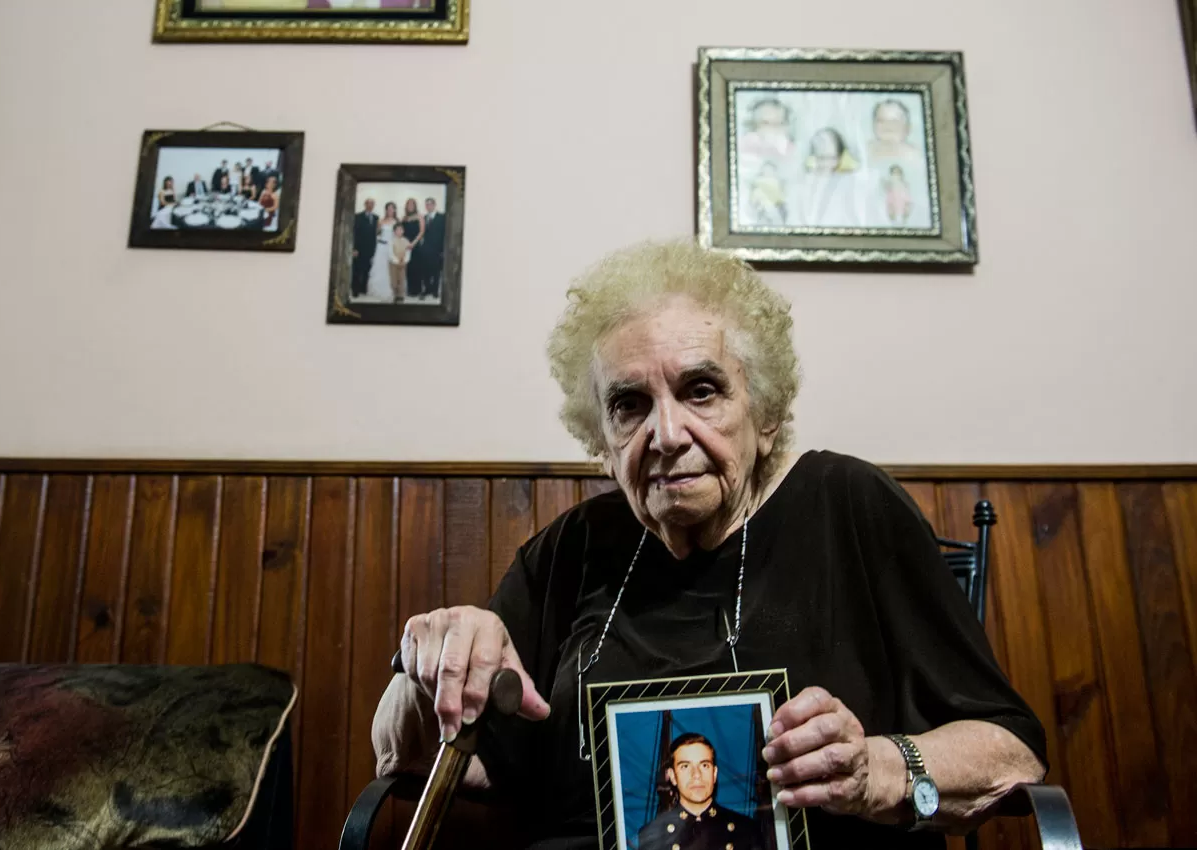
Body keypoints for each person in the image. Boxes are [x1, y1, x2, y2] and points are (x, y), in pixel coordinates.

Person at [371, 240, 1047, 850]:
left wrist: (878, 770)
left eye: (701, 390)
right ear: (601, 441)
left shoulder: (847, 504)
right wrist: (424, 664)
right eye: (629, 404)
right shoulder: (574, 547)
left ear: (767, 411)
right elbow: (412, 761)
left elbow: (1010, 750)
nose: (665, 433)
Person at [636, 733, 763, 850]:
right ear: (673, 776)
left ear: (714, 773)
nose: (696, 774)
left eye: (704, 765)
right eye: (685, 766)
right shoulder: (652, 835)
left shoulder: (746, 830)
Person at [794, 128, 864, 227]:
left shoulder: (850, 183)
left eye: (832, 158)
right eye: (822, 158)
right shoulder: (802, 184)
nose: (826, 164)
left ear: (840, 157)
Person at [364, 201, 399, 301]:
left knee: (390, 269)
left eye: (392, 208)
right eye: (388, 208)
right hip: (381, 246)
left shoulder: (397, 221)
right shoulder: (381, 220)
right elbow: (377, 234)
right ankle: (377, 290)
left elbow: (398, 235)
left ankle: (391, 290)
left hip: (391, 247)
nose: (390, 210)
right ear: (386, 210)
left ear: (395, 210)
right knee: (379, 268)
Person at [417, 197, 447, 299]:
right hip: (425, 249)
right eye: (426, 204)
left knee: (436, 272)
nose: (428, 206)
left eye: (430, 204)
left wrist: (443, 250)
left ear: (434, 205)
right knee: (425, 271)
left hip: (437, 250)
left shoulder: (442, 217)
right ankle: (427, 289)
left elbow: (445, 234)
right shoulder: (424, 218)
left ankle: (435, 291)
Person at [352, 198, 379, 297]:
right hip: (359, 248)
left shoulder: (376, 218)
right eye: (369, 203)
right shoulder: (358, 216)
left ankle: (363, 289)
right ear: (365, 204)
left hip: (370, 248)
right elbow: (355, 233)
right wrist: (354, 248)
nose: (371, 205)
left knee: (367, 269)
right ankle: (355, 290)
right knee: (357, 269)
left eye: (372, 204)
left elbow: (375, 234)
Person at [400, 199, 424, 297]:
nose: (410, 206)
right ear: (406, 206)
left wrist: (413, 243)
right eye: (408, 204)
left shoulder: (419, 216)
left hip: (416, 245)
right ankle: (410, 290)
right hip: (405, 245)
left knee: (416, 267)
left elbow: (422, 231)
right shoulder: (404, 218)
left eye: (412, 204)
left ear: (415, 206)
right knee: (408, 267)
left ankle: (417, 290)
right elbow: (401, 232)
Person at [389, 223, 411, 304]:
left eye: (401, 230)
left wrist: (405, 260)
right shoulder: (391, 241)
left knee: (402, 279)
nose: (399, 231)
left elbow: (408, 252)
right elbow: (390, 253)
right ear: (394, 231)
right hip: (393, 263)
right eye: (397, 230)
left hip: (403, 263)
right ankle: (395, 294)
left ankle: (401, 295)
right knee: (394, 279)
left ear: (403, 231)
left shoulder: (406, 241)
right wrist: (396, 260)